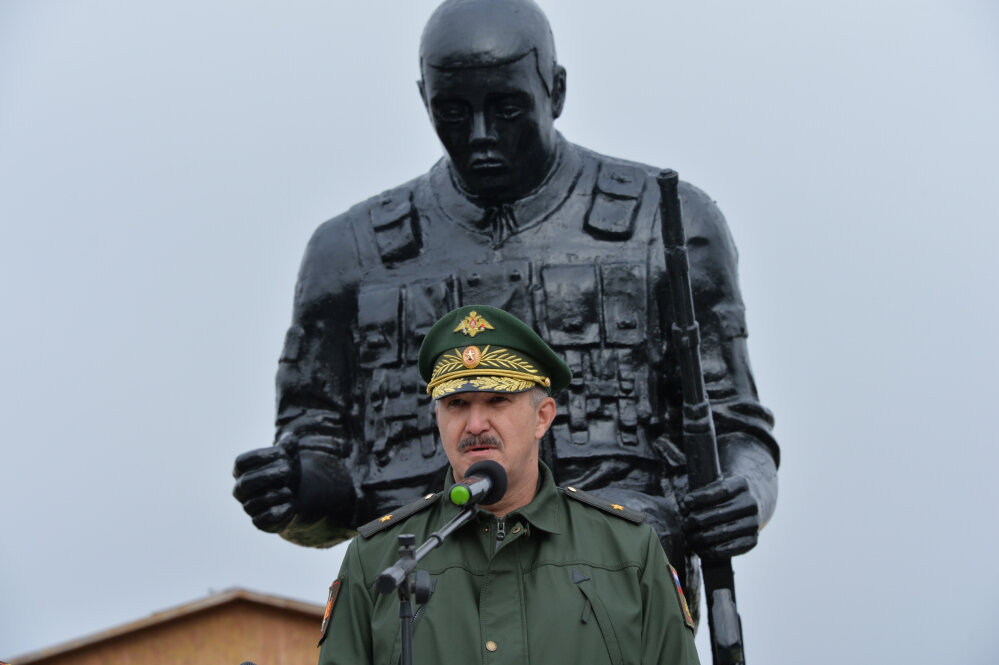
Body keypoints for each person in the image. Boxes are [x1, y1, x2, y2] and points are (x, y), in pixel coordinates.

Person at [232, 0, 779, 619]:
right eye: (454, 112)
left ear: (557, 89)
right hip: (422, 607)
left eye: (508, 108)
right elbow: (329, 462)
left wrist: (742, 497)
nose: (482, 135)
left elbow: (735, 428)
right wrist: (295, 487)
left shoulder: (667, 222)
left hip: (613, 599)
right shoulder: (348, 254)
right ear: (424, 98)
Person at [317, 304, 700, 665]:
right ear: (438, 417)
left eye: (497, 400)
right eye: (457, 404)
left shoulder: (629, 551)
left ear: (542, 417)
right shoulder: (378, 561)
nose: (475, 424)